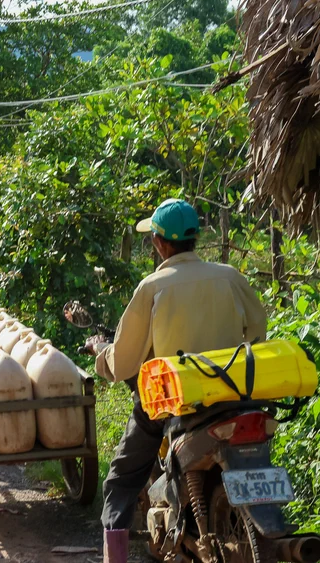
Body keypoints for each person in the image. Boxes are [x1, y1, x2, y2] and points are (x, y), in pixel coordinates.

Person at [85, 199, 267, 563]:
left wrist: (101, 354)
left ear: (158, 242)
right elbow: (258, 332)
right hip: (234, 397)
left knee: (120, 480)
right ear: (195, 238)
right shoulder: (230, 277)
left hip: (174, 401)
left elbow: (124, 362)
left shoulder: (152, 287)